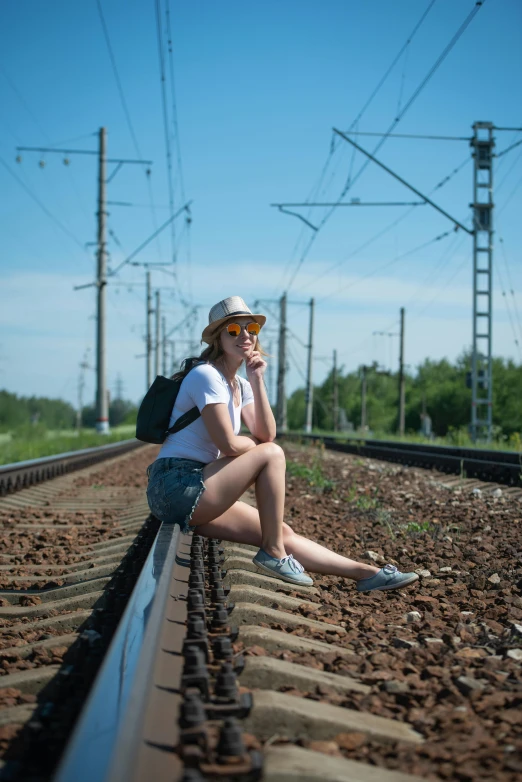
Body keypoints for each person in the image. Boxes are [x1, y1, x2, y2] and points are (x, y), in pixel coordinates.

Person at [146, 296, 419, 592]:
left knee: (278, 529)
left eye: (250, 328)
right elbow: (228, 444)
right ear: (217, 338)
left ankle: (368, 574)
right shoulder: (205, 375)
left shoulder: (240, 385)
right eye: (234, 331)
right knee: (272, 456)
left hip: (198, 486)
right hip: (176, 484)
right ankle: (274, 554)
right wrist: (256, 446)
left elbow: (266, 434)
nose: (246, 335)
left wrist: (257, 378)